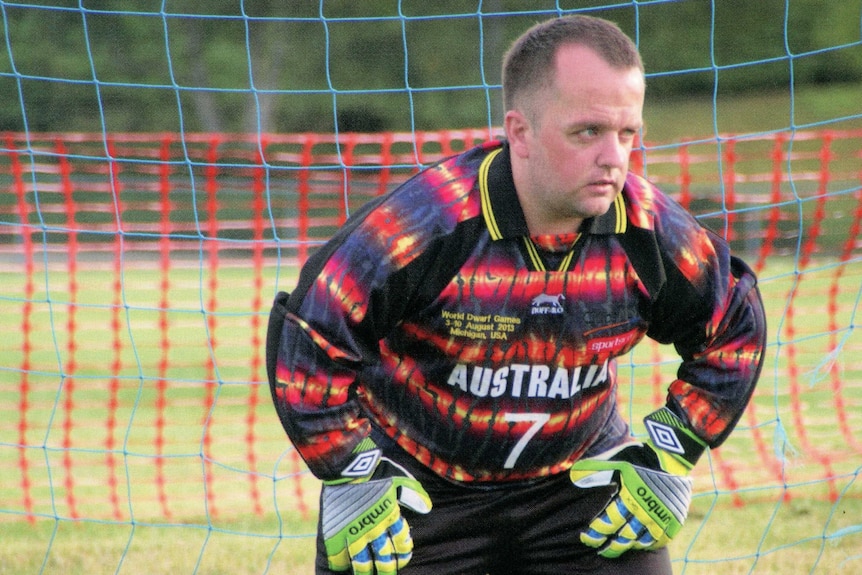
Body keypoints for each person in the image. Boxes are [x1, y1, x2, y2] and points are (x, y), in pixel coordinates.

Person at [266, 14, 766, 575]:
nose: (614, 157)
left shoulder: (647, 231)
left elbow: (735, 324)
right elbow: (308, 334)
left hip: (579, 485)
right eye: (587, 132)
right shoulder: (424, 224)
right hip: (417, 494)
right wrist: (351, 468)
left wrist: (673, 448)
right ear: (520, 132)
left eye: (627, 134)